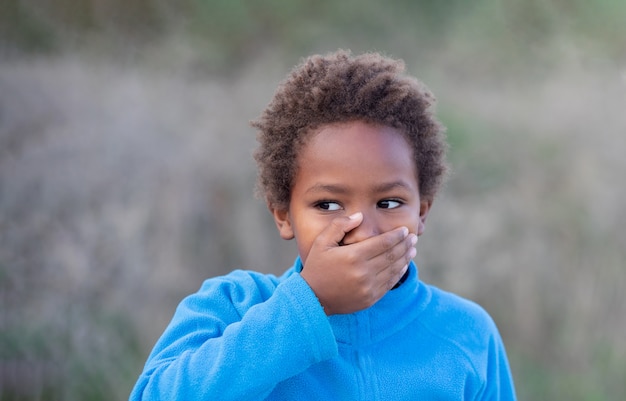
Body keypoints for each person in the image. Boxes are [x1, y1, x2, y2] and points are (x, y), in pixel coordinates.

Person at [129, 49, 517, 400]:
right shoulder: (233, 307)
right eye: (328, 204)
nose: (363, 230)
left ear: (422, 212)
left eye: (390, 202)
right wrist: (307, 304)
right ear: (284, 214)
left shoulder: (467, 333)